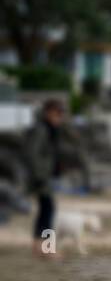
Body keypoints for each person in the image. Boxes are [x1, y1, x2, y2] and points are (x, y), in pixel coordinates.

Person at [22, 99, 66, 258]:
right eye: (57, 113)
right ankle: (46, 249)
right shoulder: (41, 129)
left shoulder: (49, 129)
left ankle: (38, 246)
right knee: (48, 209)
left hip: (45, 176)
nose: (59, 117)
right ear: (48, 112)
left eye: (61, 113)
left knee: (45, 210)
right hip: (40, 177)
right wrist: (39, 175)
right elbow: (32, 153)